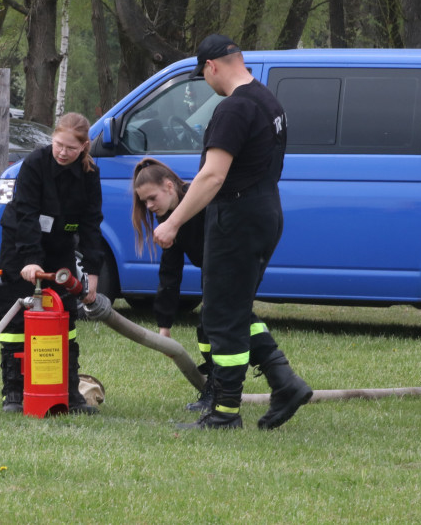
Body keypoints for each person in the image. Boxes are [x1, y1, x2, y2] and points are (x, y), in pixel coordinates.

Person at [152, 34, 312, 430]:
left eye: (203, 75)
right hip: (265, 210)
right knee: (234, 308)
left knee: (221, 316)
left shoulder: (233, 109)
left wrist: (173, 222)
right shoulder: (268, 101)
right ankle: (284, 382)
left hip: (237, 218)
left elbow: (212, 175)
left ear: (212, 66)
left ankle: (224, 412)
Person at [132, 157, 311, 420]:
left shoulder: (200, 204)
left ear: (169, 186)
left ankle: (244, 393)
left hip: (237, 253)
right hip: (218, 267)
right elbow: (170, 274)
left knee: (227, 316)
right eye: (144, 202)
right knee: (215, 319)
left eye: (151, 198)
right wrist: (164, 325)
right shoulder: (172, 220)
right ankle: (253, 384)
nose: (148, 207)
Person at [0, 112, 103, 414]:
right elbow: (26, 213)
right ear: (51, 140)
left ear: (84, 147)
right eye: (58, 145)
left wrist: (92, 276)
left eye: (70, 148)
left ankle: (68, 392)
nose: (63, 153)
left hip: (60, 248)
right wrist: (30, 260)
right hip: (20, 243)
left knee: (64, 318)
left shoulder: (90, 174)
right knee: (16, 320)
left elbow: (92, 226)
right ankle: (14, 392)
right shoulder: (35, 164)